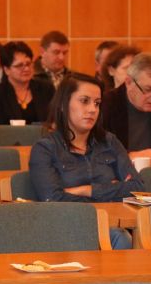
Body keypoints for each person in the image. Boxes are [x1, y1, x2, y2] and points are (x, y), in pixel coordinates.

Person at [29, 74, 143, 249]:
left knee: (121, 236)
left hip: (112, 225)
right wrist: (111, 193)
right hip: (66, 229)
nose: (92, 109)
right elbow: (52, 199)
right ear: (63, 105)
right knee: (119, 237)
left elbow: (137, 189)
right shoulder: (45, 148)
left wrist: (86, 190)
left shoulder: (109, 142)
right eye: (84, 101)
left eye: (97, 103)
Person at [0, 41, 54, 125]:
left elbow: (54, 122)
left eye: (28, 64)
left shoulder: (46, 89)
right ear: (6, 70)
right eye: (20, 65)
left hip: (44, 138)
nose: (26, 69)